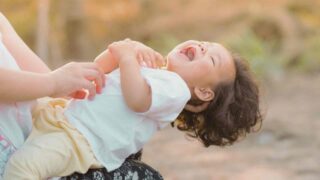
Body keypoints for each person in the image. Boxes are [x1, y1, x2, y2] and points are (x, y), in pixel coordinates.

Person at [4, 38, 262, 179]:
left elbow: (136, 99)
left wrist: (128, 57)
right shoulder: (154, 71)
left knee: (23, 169)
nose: (204, 48)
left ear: (204, 92)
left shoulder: (176, 90)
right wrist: (120, 51)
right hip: (63, 116)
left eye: (212, 57)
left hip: (77, 139)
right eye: (206, 44)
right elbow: (100, 69)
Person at [0, 12, 163, 180]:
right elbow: (51, 83)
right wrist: (54, 82)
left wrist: (125, 56)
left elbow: (50, 84)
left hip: (34, 137)